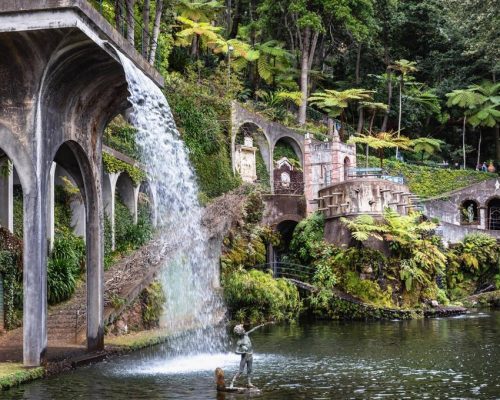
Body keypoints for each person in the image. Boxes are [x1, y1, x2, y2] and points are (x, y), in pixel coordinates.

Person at [229, 323, 271, 389]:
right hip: (244, 357)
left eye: (243, 330)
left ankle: (249, 383)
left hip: (250, 355)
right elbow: (236, 351)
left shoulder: (246, 335)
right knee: (240, 371)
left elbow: (253, 329)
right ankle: (232, 382)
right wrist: (242, 352)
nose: (244, 331)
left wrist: (260, 325)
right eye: (242, 330)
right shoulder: (239, 341)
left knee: (249, 370)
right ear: (239, 333)